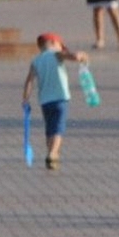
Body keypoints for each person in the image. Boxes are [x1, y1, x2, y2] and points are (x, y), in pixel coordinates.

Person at [23, 32, 89, 171]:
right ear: (53, 43)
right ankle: (53, 153)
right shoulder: (56, 54)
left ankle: (51, 154)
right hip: (60, 98)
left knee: (49, 128)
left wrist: (25, 99)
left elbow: (29, 81)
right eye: (61, 46)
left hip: (45, 101)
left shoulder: (36, 61)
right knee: (58, 128)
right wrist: (82, 55)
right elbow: (74, 57)